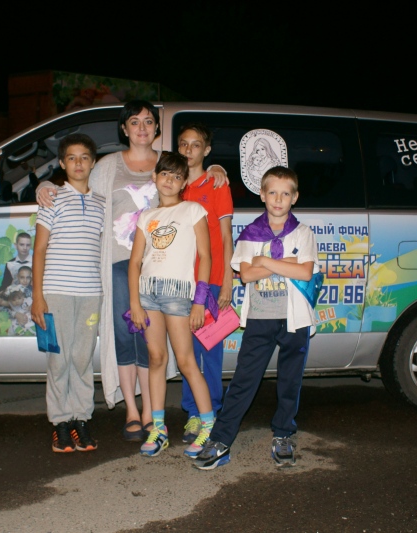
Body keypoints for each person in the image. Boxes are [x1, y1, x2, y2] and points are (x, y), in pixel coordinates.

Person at [37, 100, 228, 442]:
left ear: (157, 128)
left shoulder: (170, 162)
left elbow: (195, 169)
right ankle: (132, 411)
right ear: (124, 128)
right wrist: (45, 185)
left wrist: (217, 168)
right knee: (127, 338)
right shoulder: (106, 166)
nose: (142, 127)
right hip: (120, 265)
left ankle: (157, 415)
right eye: (134, 121)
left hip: (164, 273)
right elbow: (77, 180)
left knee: (157, 347)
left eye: (149, 121)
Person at [193, 166, 318, 470]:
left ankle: (284, 434)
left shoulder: (303, 232)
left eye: (285, 193)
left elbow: (305, 272)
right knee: (243, 380)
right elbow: (246, 275)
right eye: (272, 192)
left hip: (295, 320)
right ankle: (221, 439)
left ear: (294, 197)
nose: (278, 199)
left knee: (290, 380)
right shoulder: (250, 234)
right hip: (261, 318)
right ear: (262, 195)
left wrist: (265, 261)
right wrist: (282, 263)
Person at [127, 151, 215, 457]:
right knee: (156, 359)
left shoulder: (193, 210)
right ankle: (159, 429)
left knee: (186, 361)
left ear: (184, 182)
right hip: (148, 294)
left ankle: (208, 427)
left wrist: (199, 302)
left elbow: (205, 256)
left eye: (177, 176)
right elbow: (135, 262)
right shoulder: (146, 217)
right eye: (164, 174)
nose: (169, 180)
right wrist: (134, 303)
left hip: (179, 295)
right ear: (155, 177)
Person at [31, 133, 105, 453]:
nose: (78, 163)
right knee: (59, 359)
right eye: (71, 158)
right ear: (62, 163)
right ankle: (60, 422)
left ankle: (81, 419)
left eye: (84, 157)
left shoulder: (101, 203)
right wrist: (37, 296)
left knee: (82, 357)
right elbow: (39, 250)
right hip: (57, 293)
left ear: (93, 162)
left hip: (90, 294)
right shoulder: (52, 199)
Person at [175, 123, 234, 445]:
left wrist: (227, 282)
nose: (189, 150)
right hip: (179, 284)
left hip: (210, 283)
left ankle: (211, 411)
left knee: (210, 352)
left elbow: (225, 237)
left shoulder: (216, 184)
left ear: (206, 150)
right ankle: (193, 413)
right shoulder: (173, 185)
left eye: (196, 145)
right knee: (186, 353)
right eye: (183, 144)